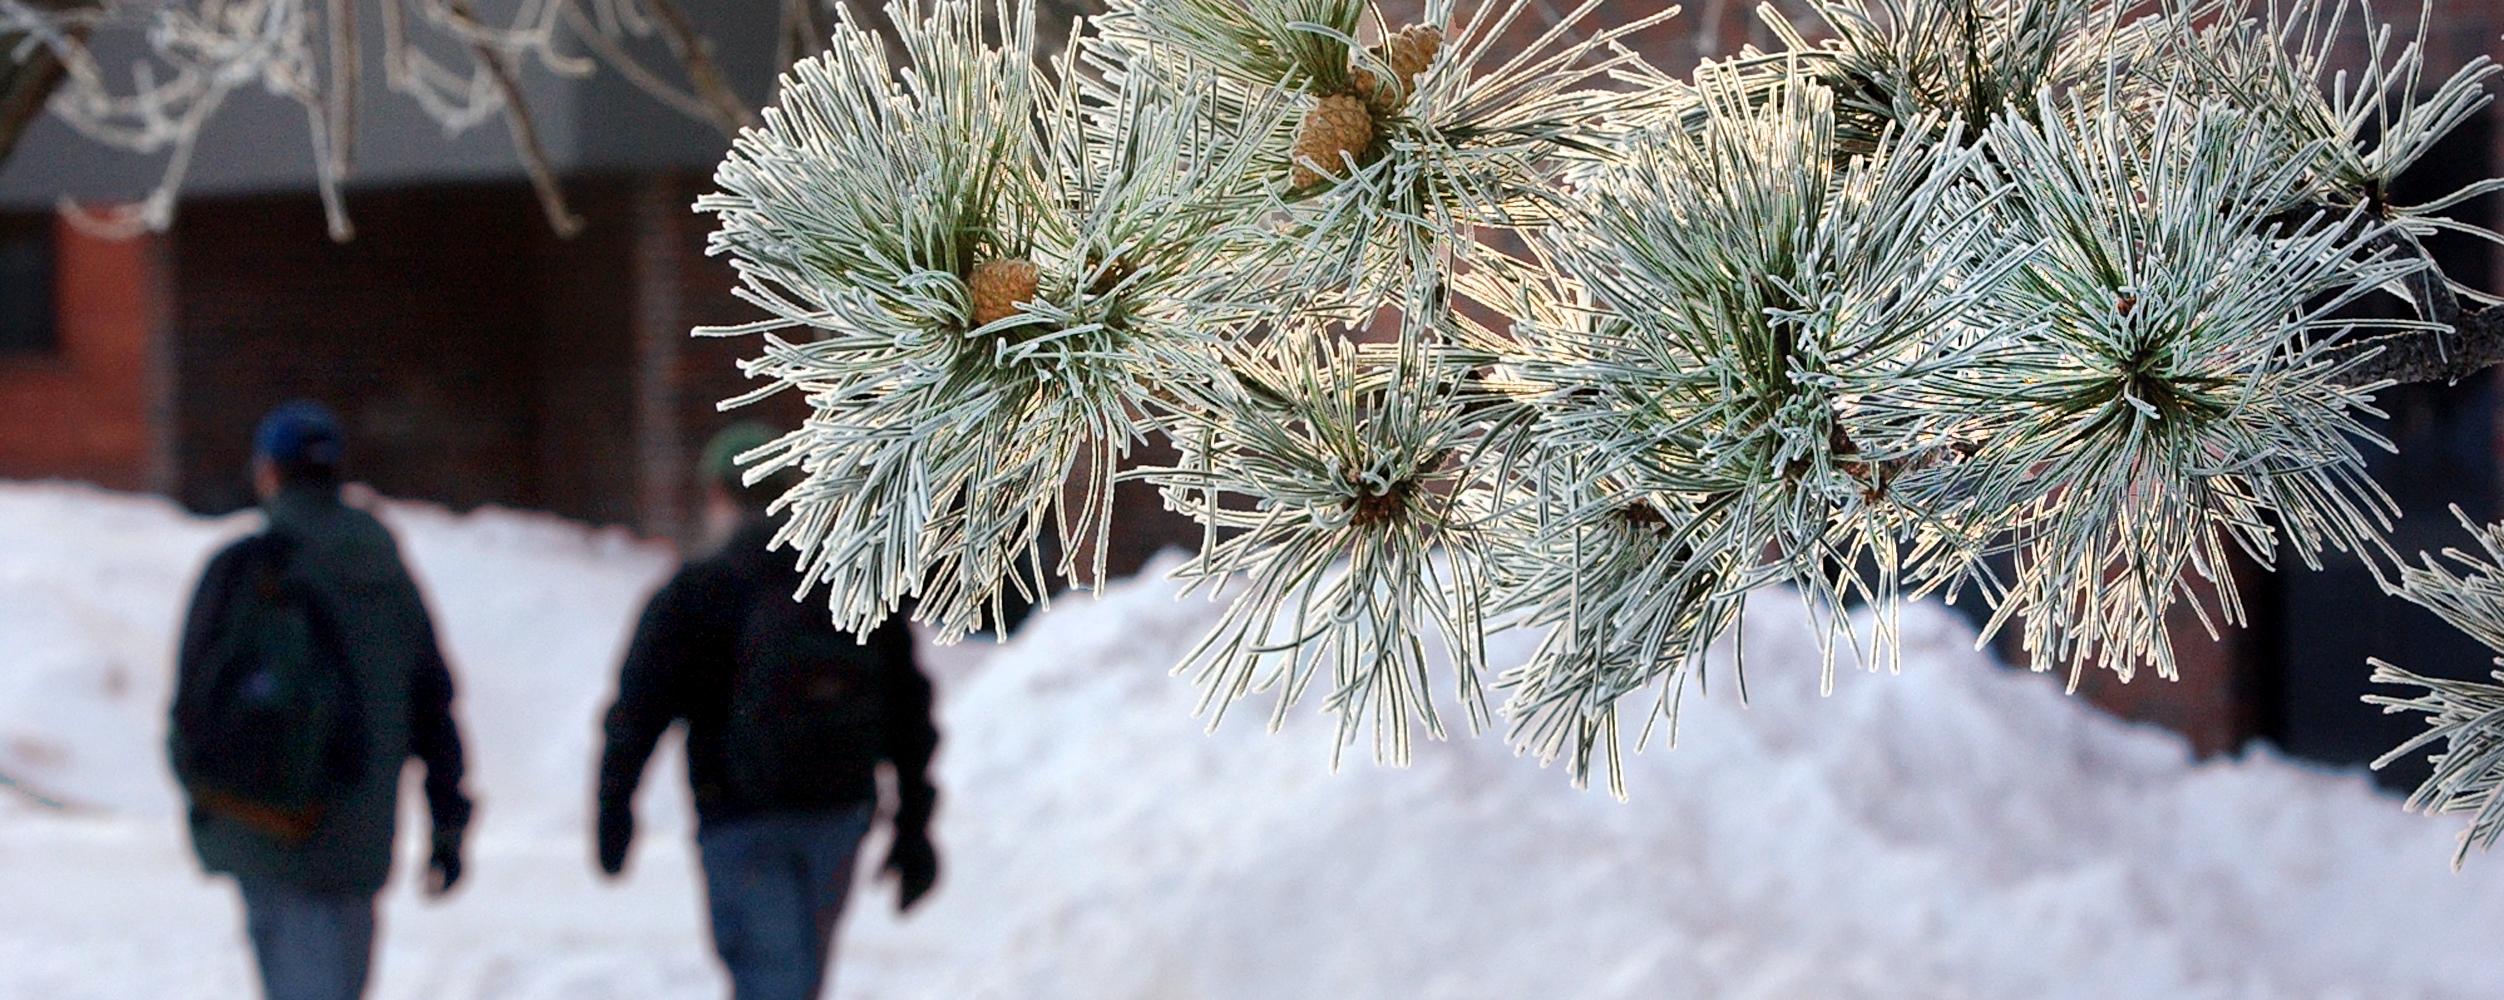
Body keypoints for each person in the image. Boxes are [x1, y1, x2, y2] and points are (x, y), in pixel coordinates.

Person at [596, 423, 942, 1000]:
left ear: (717, 496)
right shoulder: (848, 586)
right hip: (840, 814)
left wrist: (614, 807)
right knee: (797, 981)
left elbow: (637, 710)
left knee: (770, 981)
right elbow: (909, 713)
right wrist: (915, 826)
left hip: (740, 814)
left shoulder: (700, 589)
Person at [168, 401, 473, 1000]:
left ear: (268, 473)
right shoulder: (384, 570)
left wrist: (202, 787)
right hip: (359, 836)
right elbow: (434, 706)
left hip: (264, 824)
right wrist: (448, 820)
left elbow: (193, 701)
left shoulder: (248, 568)